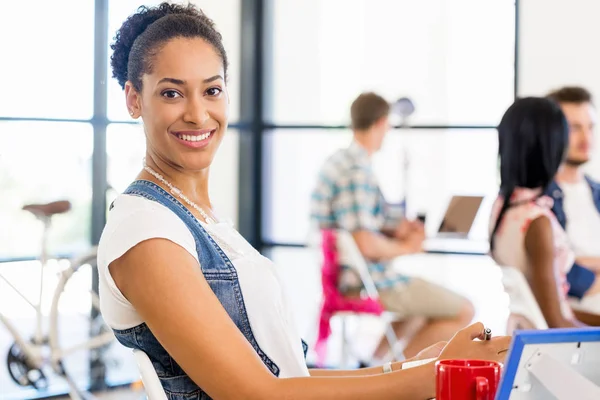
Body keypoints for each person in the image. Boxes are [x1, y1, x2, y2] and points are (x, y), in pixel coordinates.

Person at [98, 4, 509, 399]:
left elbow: (287, 375)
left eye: (212, 90)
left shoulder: (201, 220)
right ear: (134, 99)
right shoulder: (146, 231)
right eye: (172, 93)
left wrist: (415, 366)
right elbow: (258, 394)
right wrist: (435, 377)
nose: (198, 114)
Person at [310, 92, 475, 361]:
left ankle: (372, 369)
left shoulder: (342, 161)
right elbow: (364, 242)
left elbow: (367, 220)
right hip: (363, 282)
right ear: (381, 123)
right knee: (464, 310)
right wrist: (407, 247)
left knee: (424, 308)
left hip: (346, 276)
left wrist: (398, 228)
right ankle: (398, 378)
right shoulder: (356, 170)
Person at [489, 97, 600, 330]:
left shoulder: (503, 207)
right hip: (551, 351)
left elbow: (559, 311)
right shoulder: (538, 221)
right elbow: (556, 323)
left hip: (529, 340)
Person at [544, 87, 600, 321]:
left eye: (590, 127)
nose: (585, 138)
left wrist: (584, 261)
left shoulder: (596, 191)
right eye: (574, 127)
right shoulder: (540, 199)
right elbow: (566, 276)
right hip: (577, 316)